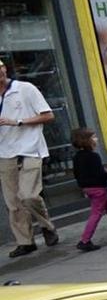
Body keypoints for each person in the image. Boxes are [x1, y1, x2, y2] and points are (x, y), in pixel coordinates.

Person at [0, 57, 58, 257]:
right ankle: (25, 242)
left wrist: (17, 122)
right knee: (13, 203)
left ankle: (47, 226)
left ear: (5, 69)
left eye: (0, 68)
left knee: (28, 195)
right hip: (4, 152)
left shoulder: (25, 89)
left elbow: (48, 115)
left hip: (30, 148)